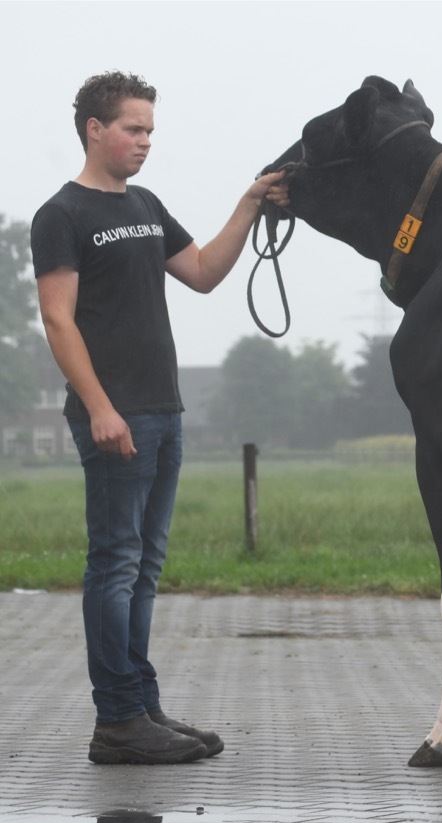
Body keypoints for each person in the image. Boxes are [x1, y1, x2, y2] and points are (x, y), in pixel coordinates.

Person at [31, 71, 284, 764]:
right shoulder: (63, 213)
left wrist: (248, 205)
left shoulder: (144, 203)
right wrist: (100, 407)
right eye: (133, 129)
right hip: (115, 417)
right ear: (94, 130)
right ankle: (116, 719)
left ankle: (140, 707)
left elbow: (201, 271)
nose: (145, 142)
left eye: (149, 131)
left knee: (143, 567)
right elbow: (57, 318)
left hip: (164, 412)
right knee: (113, 564)